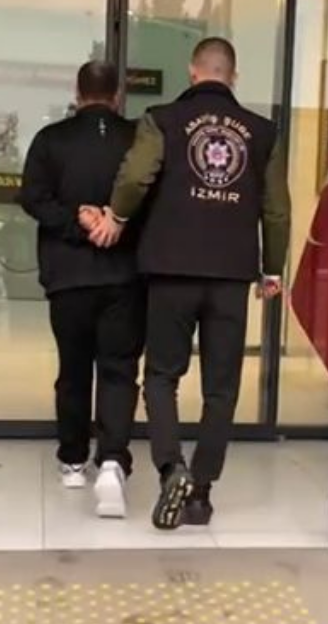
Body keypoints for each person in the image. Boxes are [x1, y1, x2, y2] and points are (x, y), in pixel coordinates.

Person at [83, 38, 290, 530]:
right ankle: (200, 493)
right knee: (221, 388)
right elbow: (276, 208)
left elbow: (136, 177)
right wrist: (273, 269)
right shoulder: (264, 132)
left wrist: (116, 217)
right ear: (232, 76)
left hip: (171, 268)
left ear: (193, 72)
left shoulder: (163, 119)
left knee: (162, 376)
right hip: (231, 275)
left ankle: (170, 467)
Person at [17, 60, 144, 518]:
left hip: (67, 277)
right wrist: (114, 223)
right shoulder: (139, 139)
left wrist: (78, 221)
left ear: (77, 92)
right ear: (118, 95)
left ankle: (72, 460)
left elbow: (33, 197)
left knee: (73, 371)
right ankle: (111, 460)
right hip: (125, 276)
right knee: (118, 370)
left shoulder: (51, 140)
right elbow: (150, 197)